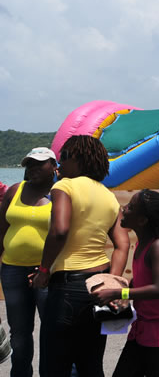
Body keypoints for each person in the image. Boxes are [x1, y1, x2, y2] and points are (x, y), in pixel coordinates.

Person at [30, 135, 130, 377]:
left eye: (63, 157)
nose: (59, 164)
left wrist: (43, 271)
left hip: (66, 288)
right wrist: (111, 281)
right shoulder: (108, 195)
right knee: (91, 364)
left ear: (77, 159)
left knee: (54, 368)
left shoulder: (64, 187)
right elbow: (122, 244)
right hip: (98, 286)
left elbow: (60, 230)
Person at [94, 189, 159, 377]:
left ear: (142, 220)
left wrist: (117, 294)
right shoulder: (141, 244)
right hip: (143, 328)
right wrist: (123, 288)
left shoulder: (158, 247)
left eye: (130, 207)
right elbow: (144, 280)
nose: (124, 208)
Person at [0, 147, 57, 376]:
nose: (33, 168)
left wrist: (48, 268)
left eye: (39, 163)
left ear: (54, 166)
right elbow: (2, 229)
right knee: (19, 332)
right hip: (12, 269)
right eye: (29, 164)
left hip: (46, 271)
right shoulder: (15, 190)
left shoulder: (62, 193)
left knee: (51, 329)